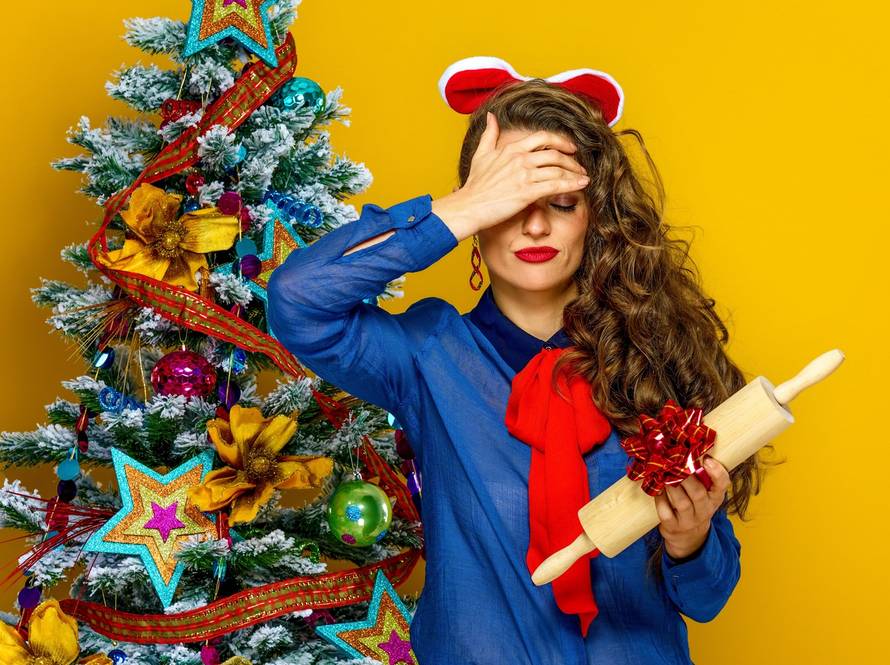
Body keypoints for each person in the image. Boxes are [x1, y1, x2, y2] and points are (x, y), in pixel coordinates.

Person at [267, 76, 766, 665]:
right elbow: (298, 299)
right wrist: (459, 211)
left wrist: (691, 542)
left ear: (595, 217)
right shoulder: (428, 354)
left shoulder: (654, 356)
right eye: (512, 203)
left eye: (559, 204)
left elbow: (708, 599)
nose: (534, 227)